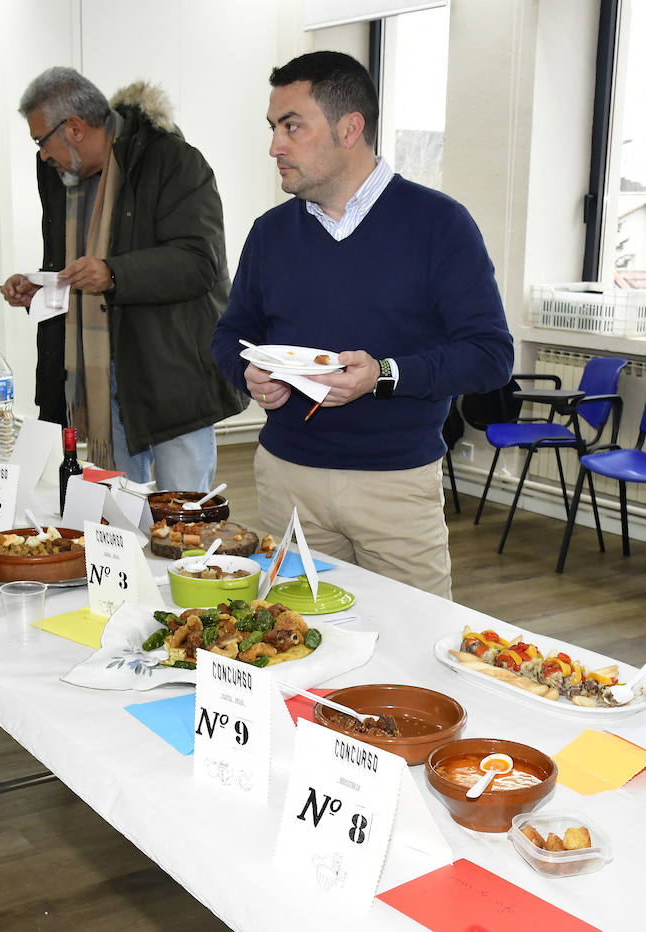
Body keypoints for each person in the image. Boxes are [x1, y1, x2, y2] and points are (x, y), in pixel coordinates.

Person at [210, 51, 513, 599]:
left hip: (393, 488)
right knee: (293, 642)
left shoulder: (438, 224)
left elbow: (490, 354)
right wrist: (248, 370)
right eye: (274, 127)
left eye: (292, 126)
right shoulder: (271, 233)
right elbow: (229, 335)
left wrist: (384, 375)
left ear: (350, 128)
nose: (275, 145)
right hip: (286, 478)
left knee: (412, 649)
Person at [0, 67, 244, 489]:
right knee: (116, 513)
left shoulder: (174, 162)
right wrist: (42, 287)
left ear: (74, 128)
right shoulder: (57, 177)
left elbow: (198, 261)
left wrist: (114, 273)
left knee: (182, 516)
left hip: (170, 375)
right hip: (94, 373)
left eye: (42, 140)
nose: (42, 154)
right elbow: (69, 264)